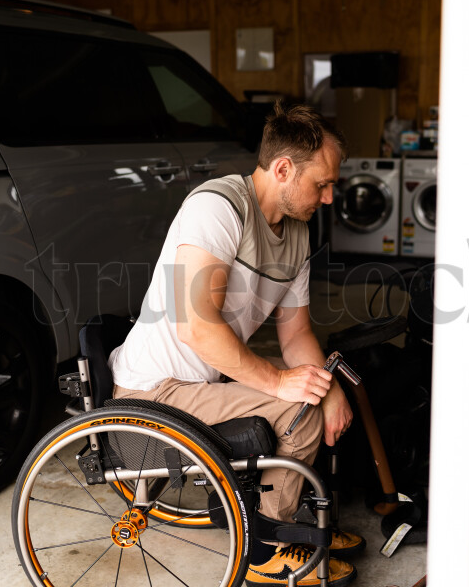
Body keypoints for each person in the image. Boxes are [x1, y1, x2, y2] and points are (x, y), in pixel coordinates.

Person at [109, 101, 362, 586]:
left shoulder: (297, 234)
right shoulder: (218, 207)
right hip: (153, 393)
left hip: (197, 382)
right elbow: (197, 327)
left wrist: (323, 385)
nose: (329, 198)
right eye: (322, 183)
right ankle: (265, 549)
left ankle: (281, 518)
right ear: (284, 169)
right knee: (298, 413)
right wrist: (284, 385)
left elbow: (296, 333)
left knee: (310, 396)